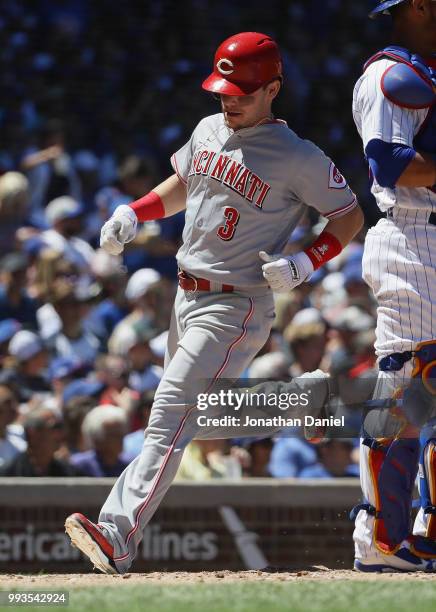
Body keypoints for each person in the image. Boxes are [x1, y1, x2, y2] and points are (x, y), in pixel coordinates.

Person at [65, 31, 363, 574]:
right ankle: (302, 402)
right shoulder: (208, 127)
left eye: (242, 92)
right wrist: (136, 211)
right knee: (196, 422)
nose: (229, 99)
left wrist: (307, 262)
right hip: (186, 293)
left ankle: (116, 534)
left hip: (237, 303)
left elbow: (349, 215)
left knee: (168, 415)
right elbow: (184, 183)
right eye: (223, 89)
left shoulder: (298, 156)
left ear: (273, 88)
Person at [351, 0, 436, 572]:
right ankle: (384, 539)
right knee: (412, 385)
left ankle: (416, 532)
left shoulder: (423, 71)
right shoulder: (389, 74)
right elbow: (389, 162)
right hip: (414, 240)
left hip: (425, 241)